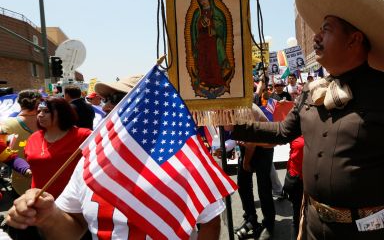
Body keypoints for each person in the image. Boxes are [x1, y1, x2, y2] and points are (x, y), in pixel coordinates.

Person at [230, 0, 384, 239]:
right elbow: (281, 132)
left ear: (354, 40)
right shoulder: (312, 92)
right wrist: (234, 127)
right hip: (313, 227)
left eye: (326, 29)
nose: (316, 37)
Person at [6, 76, 225, 240]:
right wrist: (48, 215)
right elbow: (72, 228)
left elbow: (210, 224)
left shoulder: (184, 161)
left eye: (118, 99)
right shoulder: (90, 160)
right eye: (106, 100)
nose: (107, 106)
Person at [24, 97, 91, 199]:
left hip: (69, 202)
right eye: (38, 111)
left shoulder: (83, 136)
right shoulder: (34, 137)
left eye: (46, 111)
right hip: (38, 199)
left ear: (62, 113)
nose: (40, 115)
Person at [235, 104, 276, 240]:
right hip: (249, 143)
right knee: (242, 184)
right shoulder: (228, 107)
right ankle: (250, 218)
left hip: (263, 146)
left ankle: (269, 224)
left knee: (264, 187)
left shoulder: (245, 108)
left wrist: (246, 162)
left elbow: (251, 141)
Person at [0, 89, 41, 196]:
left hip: (22, 183)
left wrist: (25, 169)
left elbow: (7, 156)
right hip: (46, 179)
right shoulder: (49, 120)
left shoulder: (6, 124)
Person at [191, 0, 231, 90]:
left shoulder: (217, 12)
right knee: (202, 61)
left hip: (212, 41)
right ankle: (204, 81)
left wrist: (212, 24)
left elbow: (222, 27)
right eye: (200, 0)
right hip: (201, 41)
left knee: (212, 61)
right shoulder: (197, 13)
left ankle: (216, 81)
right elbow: (193, 29)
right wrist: (201, 24)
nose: (202, 2)